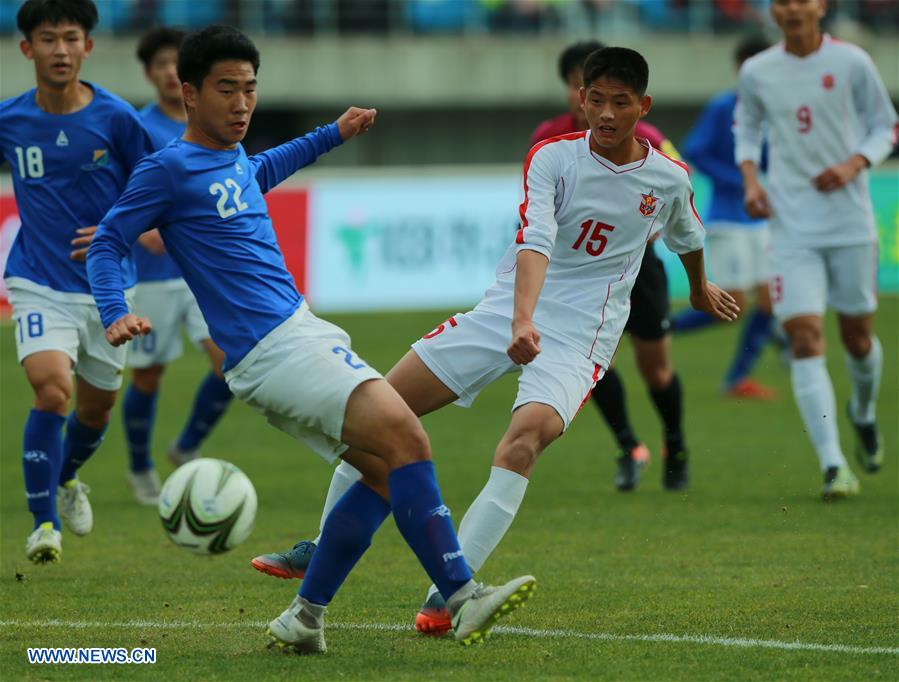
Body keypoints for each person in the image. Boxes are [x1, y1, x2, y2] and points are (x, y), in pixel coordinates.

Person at [251, 47, 738, 637]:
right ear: (581, 100)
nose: (607, 114)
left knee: (522, 442)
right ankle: (321, 544)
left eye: (622, 102)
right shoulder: (552, 157)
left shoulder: (666, 178)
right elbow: (536, 238)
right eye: (598, 100)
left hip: (581, 340)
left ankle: (444, 597)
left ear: (645, 106)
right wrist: (521, 320)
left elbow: (687, 233)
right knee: (382, 408)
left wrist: (701, 285)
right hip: (506, 314)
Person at [86, 24, 535, 653]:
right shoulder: (167, 169)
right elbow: (108, 241)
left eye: (250, 89)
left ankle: (304, 617)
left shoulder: (233, 157)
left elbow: (267, 166)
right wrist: (114, 311)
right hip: (275, 348)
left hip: (295, 332)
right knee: (406, 435)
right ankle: (462, 596)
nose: (241, 103)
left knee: (381, 473)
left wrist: (333, 134)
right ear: (189, 94)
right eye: (226, 90)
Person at [0, 0, 154, 564]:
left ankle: (67, 478)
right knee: (51, 390)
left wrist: (118, 228)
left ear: (87, 47)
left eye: (70, 38)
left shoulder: (117, 119)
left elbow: (157, 189)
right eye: (47, 39)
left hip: (108, 288)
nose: (60, 50)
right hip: (36, 281)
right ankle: (43, 524)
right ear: (27, 48)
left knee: (94, 411)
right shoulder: (9, 120)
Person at [735, 0, 897, 499]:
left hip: (849, 222)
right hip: (790, 225)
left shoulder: (852, 62)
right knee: (804, 337)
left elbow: (886, 126)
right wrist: (750, 181)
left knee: (857, 338)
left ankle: (864, 415)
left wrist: (854, 164)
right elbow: (746, 129)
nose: (792, 9)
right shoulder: (758, 70)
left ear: (821, 6)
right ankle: (833, 464)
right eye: (782, 1)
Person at [532, 40, 692, 492]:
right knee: (587, 363)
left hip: (636, 268)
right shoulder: (550, 138)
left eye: (616, 97)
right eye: (583, 89)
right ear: (576, 91)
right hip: (575, 274)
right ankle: (627, 445)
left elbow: (681, 183)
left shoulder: (650, 139)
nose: (602, 106)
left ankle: (675, 444)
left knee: (656, 367)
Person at [121, 26, 234, 506]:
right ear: (149, 73)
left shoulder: (213, 124)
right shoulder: (137, 127)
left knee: (231, 363)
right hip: (153, 276)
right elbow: (123, 190)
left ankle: (186, 446)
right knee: (148, 376)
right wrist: (144, 229)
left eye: (177, 63)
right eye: (160, 64)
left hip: (202, 275)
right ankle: (140, 467)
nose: (170, 72)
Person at [671, 35, 777, 400]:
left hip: (762, 219)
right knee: (734, 304)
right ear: (739, 68)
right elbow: (695, 150)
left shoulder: (775, 107)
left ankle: (737, 378)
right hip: (729, 217)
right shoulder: (724, 106)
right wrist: (741, 180)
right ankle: (654, 328)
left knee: (770, 301)